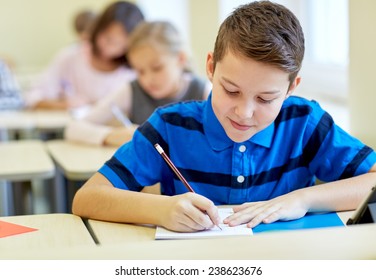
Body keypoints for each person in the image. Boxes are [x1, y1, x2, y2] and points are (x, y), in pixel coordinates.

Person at [72, 1, 376, 233]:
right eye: (230, 91)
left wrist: (302, 199)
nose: (243, 113)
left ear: (291, 88)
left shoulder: (305, 122)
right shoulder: (169, 126)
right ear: (210, 67)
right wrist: (160, 209)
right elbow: (87, 198)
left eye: (265, 99)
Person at [64, 21, 211, 147]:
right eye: (140, 71)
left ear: (180, 58)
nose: (148, 79)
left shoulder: (203, 92)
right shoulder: (132, 90)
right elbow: (73, 128)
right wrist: (113, 135)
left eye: (157, 68)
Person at [24, 1, 144, 111]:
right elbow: (32, 97)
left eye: (122, 47)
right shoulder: (71, 57)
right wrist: (62, 105)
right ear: (98, 28)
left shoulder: (135, 70)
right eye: (108, 39)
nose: (111, 49)